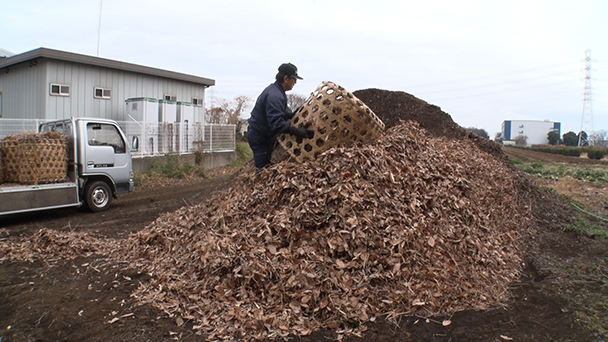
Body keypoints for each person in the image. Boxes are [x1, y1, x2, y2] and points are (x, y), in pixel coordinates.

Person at [247, 63, 314, 170]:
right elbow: (275, 123)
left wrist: (291, 115)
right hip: (260, 137)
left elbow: (278, 113)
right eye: (294, 79)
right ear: (286, 78)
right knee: (263, 169)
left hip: (263, 134)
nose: (295, 82)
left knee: (266, 164)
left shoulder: (276, 91)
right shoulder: (275, 95)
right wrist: (296, 131)